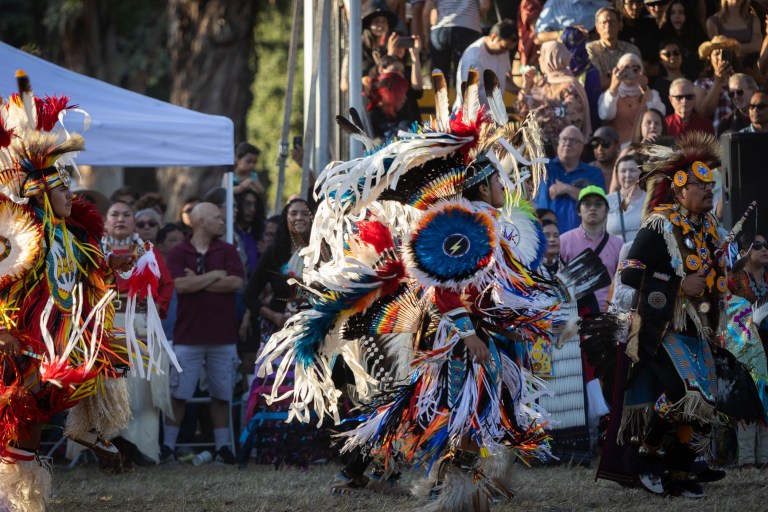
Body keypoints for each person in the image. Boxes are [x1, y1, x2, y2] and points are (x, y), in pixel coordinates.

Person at [0, 83, 133, 510]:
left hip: (48, 342)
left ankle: (20, 496)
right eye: (62, 190)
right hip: (15, 338)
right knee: (15, 422)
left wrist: (107, 269)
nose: (70, 196)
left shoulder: (69, 237)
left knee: (33, 419)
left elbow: (79, 279)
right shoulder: (16, 235)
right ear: (40, 191)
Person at [600, 133, 732, 496]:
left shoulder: (710, 229)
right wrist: (676, 286)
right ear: (678, 190)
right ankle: (645, 453)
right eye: (699, 184)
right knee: (679, 391)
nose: (708, 190)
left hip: (700, 327)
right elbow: (629, 271)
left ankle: (680, 469)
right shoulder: (660, 224)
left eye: (710, 184)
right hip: (660, 327)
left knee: (706, 400)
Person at [163, 202, 245, 465]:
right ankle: (167, 447)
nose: (223, 222)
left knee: (221, 393)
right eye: (217, 218)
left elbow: (236, 282)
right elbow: (181, 286)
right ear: (200, 221)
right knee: (179, 394)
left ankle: (222, 448)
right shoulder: (178, 252)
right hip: (188, 335)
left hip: (223, 336)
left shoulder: (228, 250)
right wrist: (215, 275)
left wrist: (200, 279)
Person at [97, 201, 174, 470]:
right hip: (108, 330)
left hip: (141, 328)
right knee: (113, 387)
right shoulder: (95, 251)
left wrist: (156, 307)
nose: (120, 219)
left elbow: (167, 285)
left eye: (126, 215)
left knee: (141, 390)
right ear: (105, 222)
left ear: (134, 221)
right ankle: (110, 447)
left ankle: (141, 448)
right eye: (114, 214)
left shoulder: (147, 251)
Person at [725, 231, 768, 469]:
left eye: (766, 245)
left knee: (767, 400)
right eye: (757, 245)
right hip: (743, 349)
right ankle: (747, 460)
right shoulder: (732, 281)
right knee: (747, 400)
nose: (764, 249)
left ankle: (764, 457)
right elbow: (726, 313)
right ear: (743, 253)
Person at [516, 40, 591, 153]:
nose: (539, 59)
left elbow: (572, 118)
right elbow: (521, 111)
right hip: (536, 150)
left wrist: (539, 112)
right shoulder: (541, 82)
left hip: (561, 150)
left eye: (542, 55)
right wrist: (526, 86)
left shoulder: (569, 86)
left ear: (552, 58)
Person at [559, 185, 624, 313]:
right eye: (587, 204)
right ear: (578, 210)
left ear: (606, 210)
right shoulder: (563, 241)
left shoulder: (619, 245)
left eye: (598, 204)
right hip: (574, 316)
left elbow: (622, 285)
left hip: (607, 314)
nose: (592, 208)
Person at [536, 125, 606, 234]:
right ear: (558, 143)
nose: (567, 143)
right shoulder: (544, 167)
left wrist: (567, 189)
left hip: (581, 238)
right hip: (546, 236)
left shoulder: (593, 173)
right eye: (564, 139)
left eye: (573, 140)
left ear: (582, 147)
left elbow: (600, 202)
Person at [598, 53, 666, 146]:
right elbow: (605, 115)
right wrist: (613, 87)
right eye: (625, 68)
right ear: (618, 71)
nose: (630, 72)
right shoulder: (610, 94)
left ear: (641, 71)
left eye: (635, 69)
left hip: (646, 147)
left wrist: (645, 88)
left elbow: (660, 114)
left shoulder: (650, 93)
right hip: (619, 151)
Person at [424, 0, 490, 88]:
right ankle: (461, 100)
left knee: (439, 74)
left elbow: (426, 12)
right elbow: (484, 6)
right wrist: (477, 17)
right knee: (463, 74)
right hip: (468, 29)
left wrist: (426, 35)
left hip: (440, 30)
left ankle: (440, 100)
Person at [454, 19, 518, 107]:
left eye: (508, 49)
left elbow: (503, 79)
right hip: (470, 116)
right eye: (503, 47)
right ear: (493, 37)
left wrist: (522, 92)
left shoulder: (503, 51)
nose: (505, 52)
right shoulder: (473, 58)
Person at [586, 7, 642, 90]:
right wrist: (627, 79)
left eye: (611, 22)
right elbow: (598, 81)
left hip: (630, 98)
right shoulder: (590, 49)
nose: (608, 26)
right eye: (604, 22)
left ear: (620, 25)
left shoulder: (632, 50)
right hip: (602, 99)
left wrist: (611, 78)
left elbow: (639, 79)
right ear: (597, 28)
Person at [695, 35, 739, 133]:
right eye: (717, 53)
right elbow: (703, 113)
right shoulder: (702, 83)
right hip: (714, 138)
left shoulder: (740, 79)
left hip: (740, 135)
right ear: (709, 58)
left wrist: (737, 81)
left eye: (724, 53)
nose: (720, 57)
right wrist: (718, 82)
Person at [659, 0, 709, 79]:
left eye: (681, 12)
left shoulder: (698, 36)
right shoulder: (663, 37)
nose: (677, 16)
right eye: (673, 13)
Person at [606, 152, 646, 243]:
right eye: (623, 171)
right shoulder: (607, 201)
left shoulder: (651, 200)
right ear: (617, 175)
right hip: (615, 255)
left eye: (632, 170)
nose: (627, 175)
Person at [617, 0, 662, 77]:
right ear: (622, 4)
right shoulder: (616, 28)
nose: (635, 7)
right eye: (630, 3)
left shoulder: (651, 26)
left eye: (639, 3)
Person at [534, 0, 611, 44]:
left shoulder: (603, 3)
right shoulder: (554, 4)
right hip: (567, 62)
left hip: (599, 57)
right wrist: (565, 34)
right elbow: (538, 38)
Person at [651, 38, 688, 115]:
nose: (672, 57)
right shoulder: (656, 85)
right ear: (660, 59)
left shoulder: (692, 79)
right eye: (667, 54)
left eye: (676, 53)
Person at [588, 126, 620, 191]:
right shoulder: (587, 170)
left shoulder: (625, 170)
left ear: (617, 145)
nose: (600, 149)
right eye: (595, 144)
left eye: (605, 143)